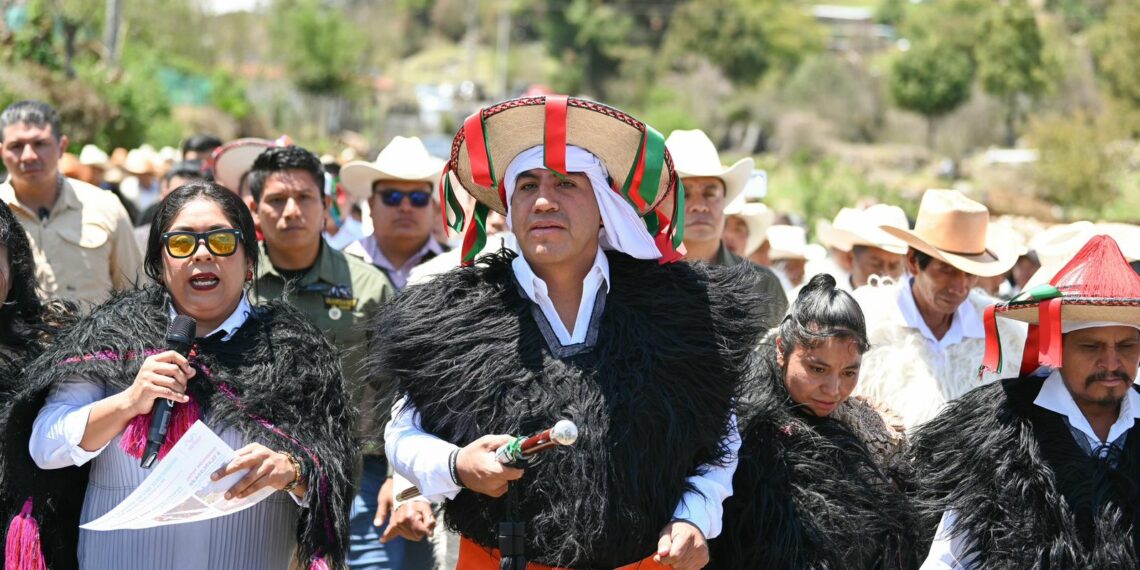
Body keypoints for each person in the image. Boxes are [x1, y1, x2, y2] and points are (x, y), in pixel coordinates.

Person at [375, 95, 771, 569]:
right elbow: (402, 434)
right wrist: (457, 465)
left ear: (604, 205)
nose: (544, 200)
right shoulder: (450, 317)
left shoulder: (680, 314)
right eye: (527, 185)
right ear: (510, 205)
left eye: (566, 183)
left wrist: (694, 516)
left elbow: (719, 439)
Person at [1, 182, 356, 570]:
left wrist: (293, 472)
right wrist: (127, 402)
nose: (202, 253)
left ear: (250, 262)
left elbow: (334, 470)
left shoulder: (295, 353)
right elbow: (45, 447)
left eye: (221, 241)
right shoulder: (108, 340)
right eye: (182, 243)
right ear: (159, 264)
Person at [913, 234, 1140, 568]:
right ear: (1057, 348)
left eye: (1126, 346)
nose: (1110, 362)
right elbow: (950, 560)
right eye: (1091, 347)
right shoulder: (1001, 427)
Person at [243, 146, 399, 569]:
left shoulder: (368, 286)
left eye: (304, 198)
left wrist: (396, 479)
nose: (291, 211)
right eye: (277, 200)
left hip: (344, 479)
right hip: (250, 475)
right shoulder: (234, 281)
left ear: (325, 205)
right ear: (254, 210)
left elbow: (395, 389)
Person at [708, 273, 920, 569]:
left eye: (848, 373)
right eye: (817, 369)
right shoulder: (740, 428)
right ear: (782, 350)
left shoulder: (875, 431)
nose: (833, 390)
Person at [851, 189, 1025, 429]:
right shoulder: (868, 324)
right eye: (946, 270)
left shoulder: (1005, 336)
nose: (960, 287)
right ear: (913, 262)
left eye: (969, 274)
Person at [0, 100, 142, 306]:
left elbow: (137, 295)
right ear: (2, 152)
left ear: (61, 146)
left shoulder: (106, 207)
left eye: (40, 144)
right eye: (16, 146)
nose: (29, 155)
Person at [665, 129, 788, 324]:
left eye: (710, 193)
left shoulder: (763, 286)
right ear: (663, 203)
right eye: (684, 194)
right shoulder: (639, 279)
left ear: (724, 200)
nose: (699, 205)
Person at [342, 136, 448, 290]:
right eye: (392, 197)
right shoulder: (341, 266)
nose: (405, 207)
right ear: (371, 204)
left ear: (434, 207)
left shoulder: (457, 267)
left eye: (418, 198)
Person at [824, 204, 909, 289]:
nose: (886, 275)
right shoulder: (830, 295)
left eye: (894, 266)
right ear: (850, 259)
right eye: (876, 265)